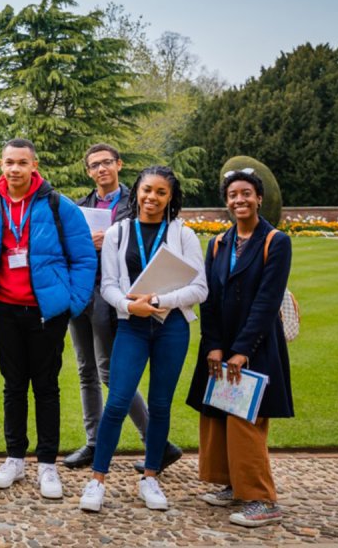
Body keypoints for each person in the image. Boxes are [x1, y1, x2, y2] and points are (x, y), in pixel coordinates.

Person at [0, 138, 96, 499]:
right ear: (1, 165)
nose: (16, 169)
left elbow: (84, 258)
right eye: (10, 162)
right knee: (13, 385)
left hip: (45, 312)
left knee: (47, 387)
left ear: (34, 165)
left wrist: (72, 302)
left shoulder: (58, 205)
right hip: (5, 310)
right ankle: (14, 458)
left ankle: (47, 464)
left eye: (23, 162)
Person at [78, 166, 207, 512]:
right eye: (147, 190)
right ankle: (97, 480)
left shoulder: (183, 234)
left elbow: (200, 288)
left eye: (161, 192)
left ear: (170, 198)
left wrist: (158, 302)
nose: (152, 197)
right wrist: (128, 306)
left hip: (172, 327)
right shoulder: (119, 232)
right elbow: (107, 285)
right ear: (136, 191)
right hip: (132, 326)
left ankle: (150, 477)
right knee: (118, 401)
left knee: (161, 404)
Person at [64, 144, 183, 473]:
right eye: (94, 165)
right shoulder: (81, 207)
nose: (101, 169)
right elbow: (69, 248)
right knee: (84, 370)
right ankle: (93, 442)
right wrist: (87, 243)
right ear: (88, 171)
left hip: (116, 294)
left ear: (119, 164)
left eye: (106, 163)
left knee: (108, 371)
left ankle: (156, 443)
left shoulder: (139, 202)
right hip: (82, 291)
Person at [185, 169, 294, 527]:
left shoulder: (275, 241)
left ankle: (262, 499)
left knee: (245, 419)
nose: (239, 200)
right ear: (226, 202)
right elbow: (210, 299)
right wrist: (214, 346)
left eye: (246, 193)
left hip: (256, 345)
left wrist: (242, 349)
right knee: (217, 414)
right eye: (233, 195)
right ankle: (233, 484)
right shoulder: (218, 243)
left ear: (259, 197)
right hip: (221, 345)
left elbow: (267, 301)